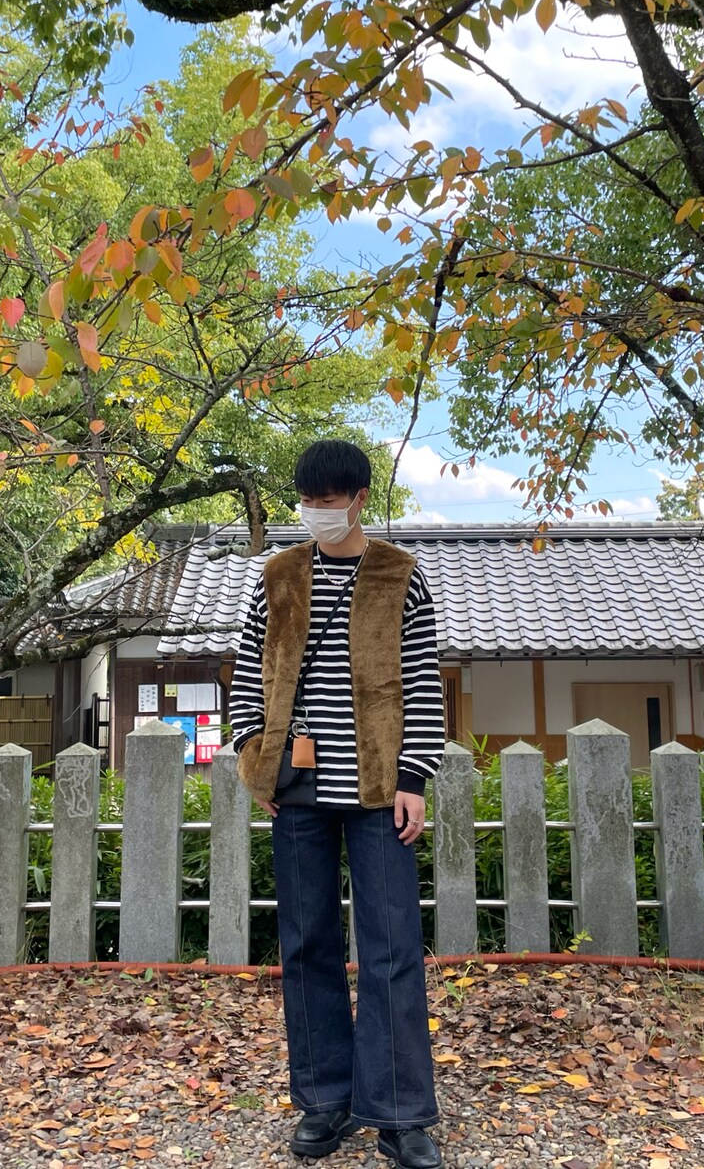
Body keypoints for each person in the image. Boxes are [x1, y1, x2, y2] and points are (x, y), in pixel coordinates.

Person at [229, 440, 446, 1169]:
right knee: (306, 943)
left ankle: (399, 1114)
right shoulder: (278, 577)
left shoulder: (400, 576)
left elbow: (421, 683)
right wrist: (254, 759)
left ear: (358, 499)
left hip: (381, 790)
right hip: (298, 794)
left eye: (328, 500)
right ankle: (324, 1101)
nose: (316, 511)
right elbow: (249, 673)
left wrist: (414, 778)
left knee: (392, 947)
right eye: (307, 500)